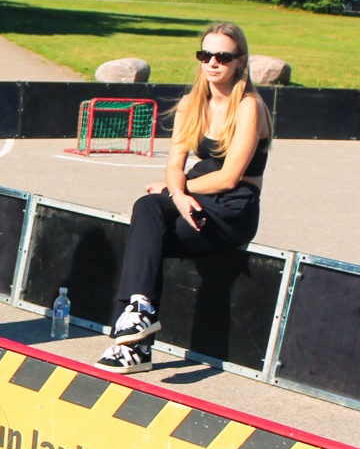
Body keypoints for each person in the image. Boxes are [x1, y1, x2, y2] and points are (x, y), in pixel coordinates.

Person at [98, 23, 273, 372]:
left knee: (148, 226)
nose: (212, 63)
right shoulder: (191, 104)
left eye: (223, 56)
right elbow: (173, 165)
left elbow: (229, 177)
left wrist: (177, 190)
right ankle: (138, 320)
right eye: (205, 55)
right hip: (195, 197)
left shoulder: (249, 107)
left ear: (240, 61)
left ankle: (133, 341)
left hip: (233, 209)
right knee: (148, 218)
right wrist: (176, 193)